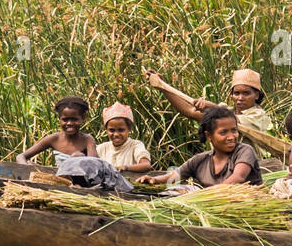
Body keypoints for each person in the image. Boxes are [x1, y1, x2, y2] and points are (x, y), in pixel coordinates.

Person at [137, 106, 263, 188]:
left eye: (234, 131)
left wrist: (201, 194)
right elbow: (175, 175)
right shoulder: (201, 160)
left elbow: (238, 178)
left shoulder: (244, 151)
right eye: (223, 132)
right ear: (209, 136)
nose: (231, 137)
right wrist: (154, 180)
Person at [143, 67, 272, 134]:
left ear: (256, 95)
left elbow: (230, 119)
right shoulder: (227, 110)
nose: (240, 98)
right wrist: (164, 87)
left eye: (246, 93)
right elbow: (190, 111)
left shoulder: (258, 115)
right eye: (236, 93)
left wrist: (212, 107)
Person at [16, 96, 97, 165]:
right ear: (59, 119)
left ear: (83, 118)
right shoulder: (54, 139)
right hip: (59, 180)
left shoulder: (87, 140)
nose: (69, 123)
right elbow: (20, 156)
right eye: (65, 120)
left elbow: (95, 165)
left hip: (82, 182)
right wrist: (26, 166)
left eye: (74, 119)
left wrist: (78, 159)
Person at [95, 102, 152, 175]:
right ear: (106, 130)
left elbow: (146, 165)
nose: (116, 134)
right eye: (111, 130)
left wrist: (126, 168)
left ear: (129, 129)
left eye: (121, 130)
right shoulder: (101, 148)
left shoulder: (135, 145)